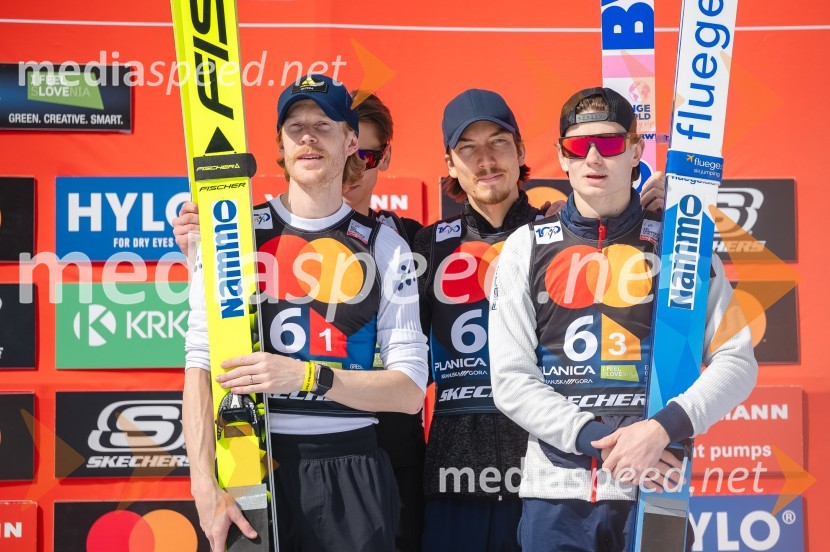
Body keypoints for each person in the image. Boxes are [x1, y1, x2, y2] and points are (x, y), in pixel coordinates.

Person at [488, 87, 758, 551]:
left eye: (610, 143)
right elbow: (512, 380)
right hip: (556, 497)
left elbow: (738, 361)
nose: (594, 157)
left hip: (656, 490)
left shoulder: (681, 246)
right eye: (578, 145)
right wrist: (609, 442)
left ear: (635, 150)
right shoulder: (525, 247)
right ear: (562, 156)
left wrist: (661, 430)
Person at [182, 74, 429, 552]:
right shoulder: (231, 235)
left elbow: (410, 393)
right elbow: (200, 363)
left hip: (351, 464)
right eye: (295, 128)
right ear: (281, 143)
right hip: (246, 462)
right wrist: (202, 484)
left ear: (351, 140)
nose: (308, 137)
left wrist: (308, 376)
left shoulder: (384, 245)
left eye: (324, 124)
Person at [415, 89, 667, 551]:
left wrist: (671, 208)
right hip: (457, 474)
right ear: (449, 162)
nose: (486, 160)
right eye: (467, 149)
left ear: (523, 152)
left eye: (498, 143)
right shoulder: (426, 244)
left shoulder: (557, 228)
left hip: (546, 470)